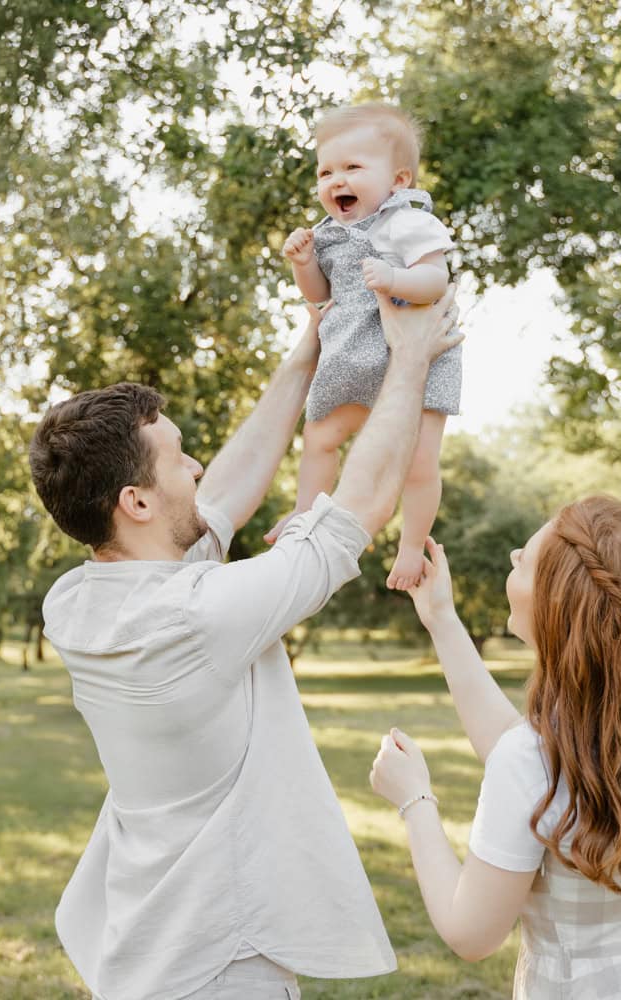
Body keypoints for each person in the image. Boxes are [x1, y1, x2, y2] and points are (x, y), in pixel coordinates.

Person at [28, 287, 462, 1000]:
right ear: (135, 502)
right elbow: (364, 503)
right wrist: (410, 360)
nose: (196, 463)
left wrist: (308, 349)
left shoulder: (77, 603)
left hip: (141, 959)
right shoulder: (198, 616)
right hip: (221, 968)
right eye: (176, 457)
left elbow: (221, 493)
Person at [368, 496, 621, 998]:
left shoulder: (533, 758)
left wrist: (415, 800)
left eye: (526, 562)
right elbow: (526, 765)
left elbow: (470, 932)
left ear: (559, 608)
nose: (514, 555)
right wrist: (442, 620)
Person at [269, 102, 461, 592]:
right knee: (319, 438)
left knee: (418, 463)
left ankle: (413, 545)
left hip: (413, 354)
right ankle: (304, 513)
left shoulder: (406, 221)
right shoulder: (329, 233)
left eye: (353, 168)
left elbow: (436, 279)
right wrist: (304, 262)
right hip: (352, 352)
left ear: (398, 180)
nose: (336, 180)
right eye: (326, 171)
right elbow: (319, 297)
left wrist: (397, 277)